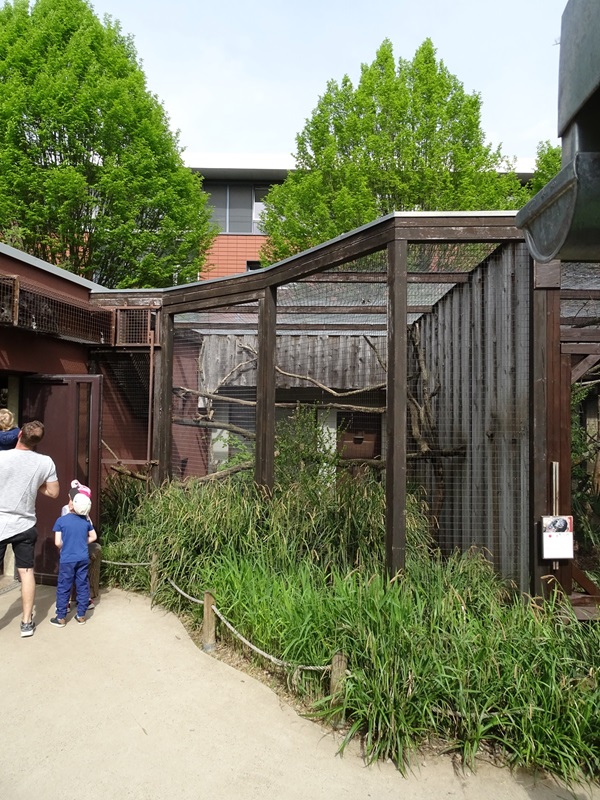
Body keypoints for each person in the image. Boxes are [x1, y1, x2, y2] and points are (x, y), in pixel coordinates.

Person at [0, 420, 60, 637]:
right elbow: (54, 493)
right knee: (26, 572)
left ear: (18, 435)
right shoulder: (45, 462)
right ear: (37, 442)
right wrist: (34, 482)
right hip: (25, 524)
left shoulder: (1, 457)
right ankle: (26, 623)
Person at [50, 490, 97, 627]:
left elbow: (57, 542)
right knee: (82, 585)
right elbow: (93, 537)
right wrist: (82, 543)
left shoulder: (61, 521)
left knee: (64, 586)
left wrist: (67, 544)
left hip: (67, 559)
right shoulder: (86, 521)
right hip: (82, 557)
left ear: (72, 505)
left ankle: (61, 617)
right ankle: (81, 615)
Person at [59, 481, 100, 612]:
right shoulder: (72, 511)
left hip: (68, 552)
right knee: (79, 578)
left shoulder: (78, 514)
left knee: (70, 578)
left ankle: (68, 605)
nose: (70, 500)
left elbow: (60, 536)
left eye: (73, 498)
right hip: (77, 551)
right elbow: (92, 535)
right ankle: (74, 602)